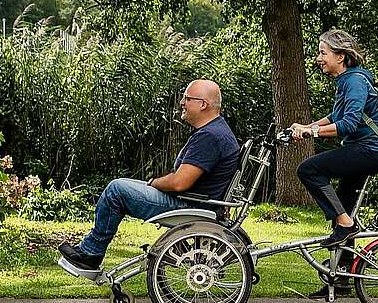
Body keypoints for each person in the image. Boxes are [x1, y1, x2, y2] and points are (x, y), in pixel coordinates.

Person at [57, 79, 241, 275]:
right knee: (120, 187)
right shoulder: (216, 130)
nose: (182, 102)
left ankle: (90, 253)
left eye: (187, 98)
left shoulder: (210, 136)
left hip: (189, 205)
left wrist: (154, 183)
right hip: (197, 201)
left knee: (116, 190)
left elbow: (180, 183)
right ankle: (89, 251)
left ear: (203, 104)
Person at [290, 29, 378, 298]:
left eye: (323, 53)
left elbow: (347, 124)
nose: (319, 58)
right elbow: (334, 115)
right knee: (343, 211)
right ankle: (343, 278)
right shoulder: (347, 80)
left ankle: (346, 225)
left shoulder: (355, 81)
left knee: (309, 169)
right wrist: (305, 127)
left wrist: (311, 133)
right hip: (361, 150)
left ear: (341, 56)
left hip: (369, 151)